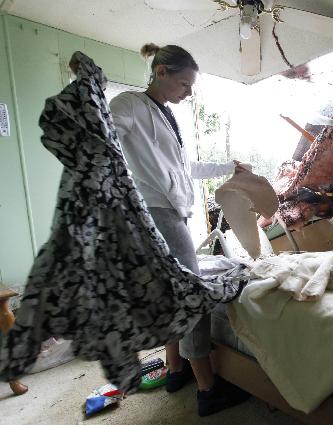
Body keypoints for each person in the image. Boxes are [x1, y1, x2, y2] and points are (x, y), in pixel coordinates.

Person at [110, 43, 247, 416]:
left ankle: (174, 370)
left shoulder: (165, 115)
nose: (189, 92)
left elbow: (185, 168)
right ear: (161, 72)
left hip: (169, 212)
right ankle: (208, 390)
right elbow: (107, 133)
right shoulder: (130, 105)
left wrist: (227, 168)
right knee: (193, 297)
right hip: (158, 214)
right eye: (184, 84)